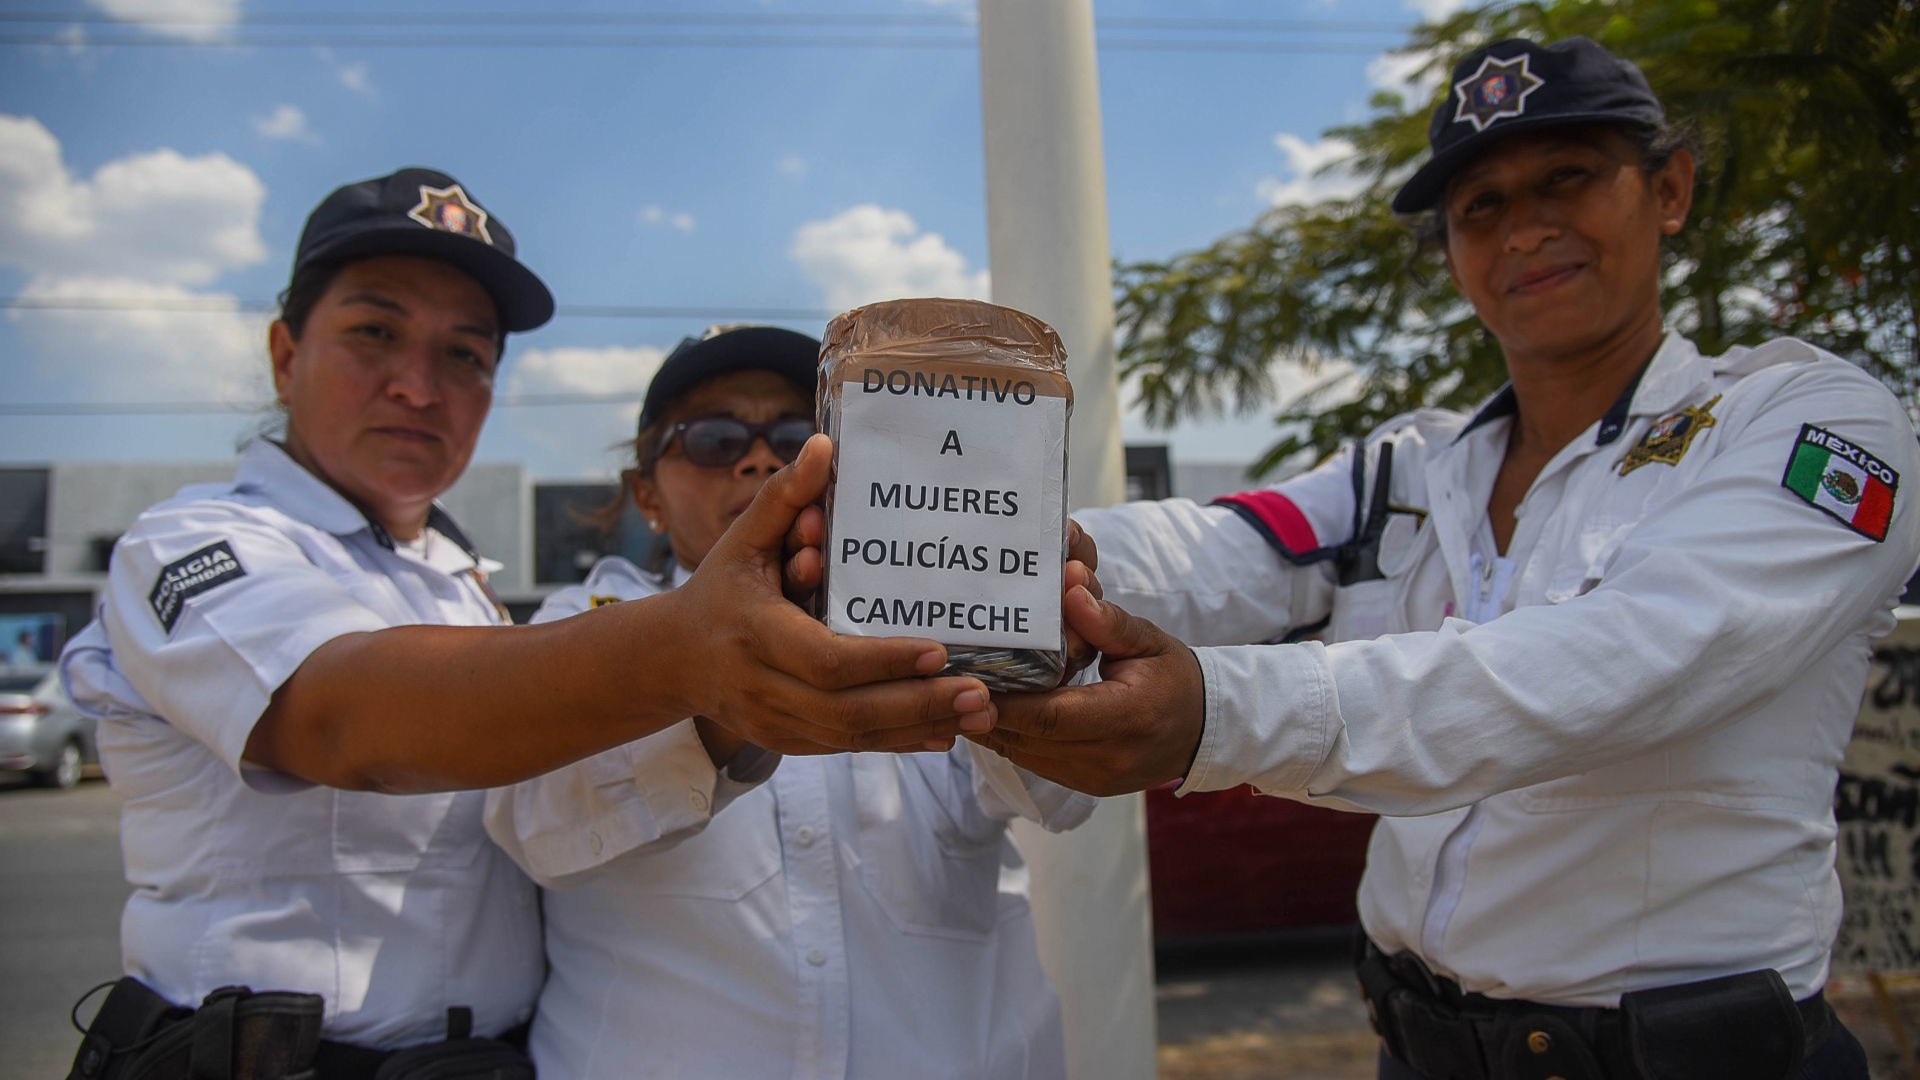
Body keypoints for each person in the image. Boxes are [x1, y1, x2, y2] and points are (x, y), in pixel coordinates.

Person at [976, 37, 1919, 1080]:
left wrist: (1215, 717)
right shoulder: (1412, 466)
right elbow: (1223, 546)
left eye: (1569, 177)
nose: (1525, 229)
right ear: (1451, 252)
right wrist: (990, 555)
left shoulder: (1804, 422)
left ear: (1670, 189)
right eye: (1480, 207)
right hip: (1418, 1051)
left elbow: (1634, 657)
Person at [58, 170, 997, 1076]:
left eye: (465, 354)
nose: (419, 387)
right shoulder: (195, 542)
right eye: (375, 332)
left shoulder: (464, 589)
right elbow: (347, 718)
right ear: (284, 353)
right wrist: (698, 656)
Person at [485, 324, 1096, 1079]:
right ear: (646, 492)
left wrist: (1036, 662)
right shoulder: (580, 626)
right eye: (711, 438)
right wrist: (717, 706)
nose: (760, 458)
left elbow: (1060, 798)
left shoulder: (944, 606)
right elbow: (532, 824)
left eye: (797, 433)